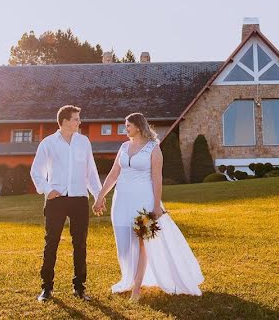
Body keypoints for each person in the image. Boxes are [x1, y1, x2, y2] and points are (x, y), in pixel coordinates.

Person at [93, 112, 204, 302]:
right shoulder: (123, 147)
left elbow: (156, 178)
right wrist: (99, 197)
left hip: (143, 201)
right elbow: (113, 175)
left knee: (142, 242)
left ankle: (137, 287)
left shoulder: (154, 148)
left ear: (138, 126)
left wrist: (156, 205)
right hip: (121, 201)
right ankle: (128, 278)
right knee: (124, 244)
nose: (125, 129)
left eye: (128, 125)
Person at [30, 104, 102, 302]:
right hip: (57, 200)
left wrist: (98, 195)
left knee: (80, 244)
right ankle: (46, 288)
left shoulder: (84, 142)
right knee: (51, 242)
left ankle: (79, 287)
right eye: (76, 118)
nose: (80, 122)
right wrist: (47, 189)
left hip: (79, 199)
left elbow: (90, 172)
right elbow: (36, 171)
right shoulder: (48, 143)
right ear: (64, 121)